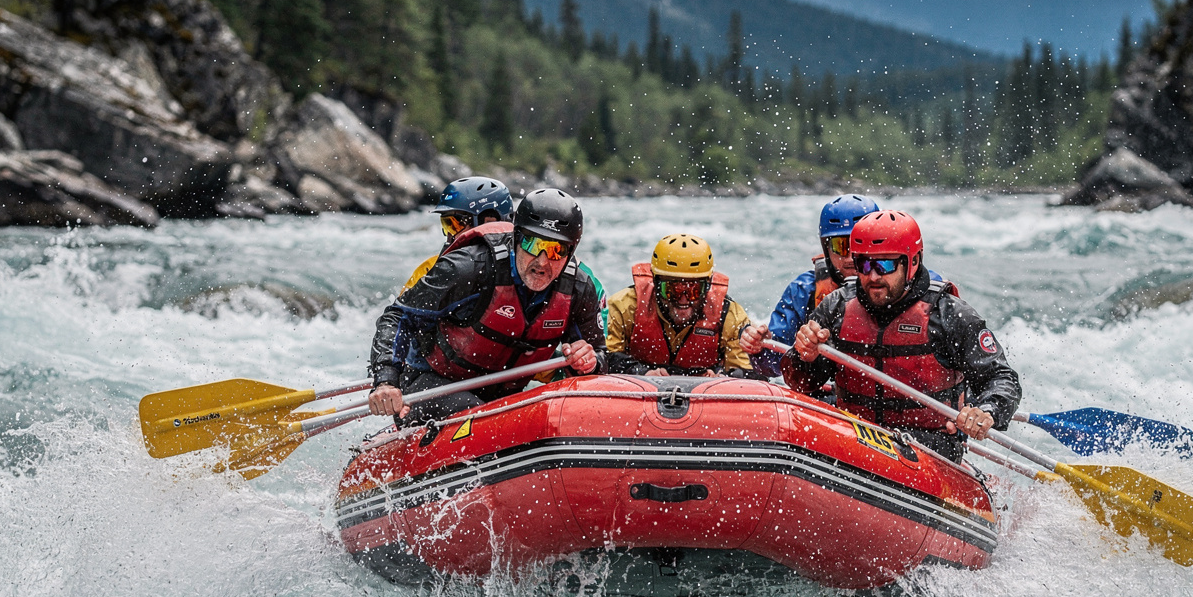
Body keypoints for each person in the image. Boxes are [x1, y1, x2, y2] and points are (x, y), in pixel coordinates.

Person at [783, 209, 1020, 462]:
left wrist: (987, 410)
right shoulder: (836, 307)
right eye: (864, 264)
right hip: (853, 434)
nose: (873, 276)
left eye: (884, 265)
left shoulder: (948, 314)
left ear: (912, 262)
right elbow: (801, 383)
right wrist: (804, 357)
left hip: (928, 445)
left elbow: (1001, 378)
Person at [368, 188, 603, 424]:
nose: (542, 262)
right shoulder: (469, 268)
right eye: (532, 243)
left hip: (502, 397)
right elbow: (398, 317)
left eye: (556, 250)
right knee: (479, 415)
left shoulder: (578, 289)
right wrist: (386, 380)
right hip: (433, 385)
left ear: (570, 252)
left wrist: (589, 361)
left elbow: (600, 356)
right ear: (516, 238)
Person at [741, 194, 955, 375]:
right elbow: (774, 366)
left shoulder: (925, 290)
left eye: (859, 245)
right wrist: (761, 348)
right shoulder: (804, 290)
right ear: (826, 249)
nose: (851, 257)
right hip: (836, 398)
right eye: (840, 246)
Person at [604, 233, 759, 378]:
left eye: (694, 291)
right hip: (641, 387)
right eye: (672, 290)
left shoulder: (730, 316)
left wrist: (723, 378)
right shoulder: (624, 306)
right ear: (656, 283)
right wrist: (642, 372)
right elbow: (606, 358)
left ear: (707, 286)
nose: (683, 300)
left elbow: (748, 374)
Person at [402, 176, 516, 291]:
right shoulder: (429, 270)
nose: (451, 236)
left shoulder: (522, 266)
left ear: (488, 222)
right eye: (447, 224)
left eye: (456, 224)